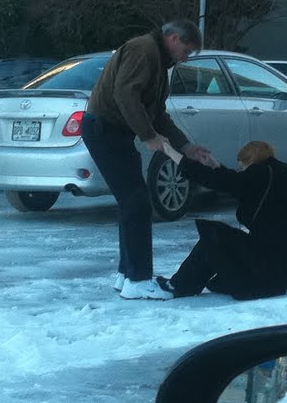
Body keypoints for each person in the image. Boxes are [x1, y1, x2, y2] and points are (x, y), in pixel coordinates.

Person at [81, 19, 214, 300]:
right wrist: (148, 135)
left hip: (112, 132)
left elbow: (157, 114)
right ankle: (138, 279)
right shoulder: (144, 50)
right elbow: (125, 93)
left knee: (133, 201)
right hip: (104, 130)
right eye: (187, 51)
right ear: (174, 38)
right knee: (137, 201)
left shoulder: (157, 60)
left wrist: (186, 146)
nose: (185, 58)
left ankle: (127, 274)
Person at [158, 140, 287, 300]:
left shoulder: (261, 173)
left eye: (243, 166)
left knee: (213, 236)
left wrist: (170, 152)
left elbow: (225, 181)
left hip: (279, 270)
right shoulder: (277, 172)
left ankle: (177, 286)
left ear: (250, 160)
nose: (242, 170)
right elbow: (236, 182)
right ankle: (182, 284)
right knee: (220, 270)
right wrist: (212, 163)